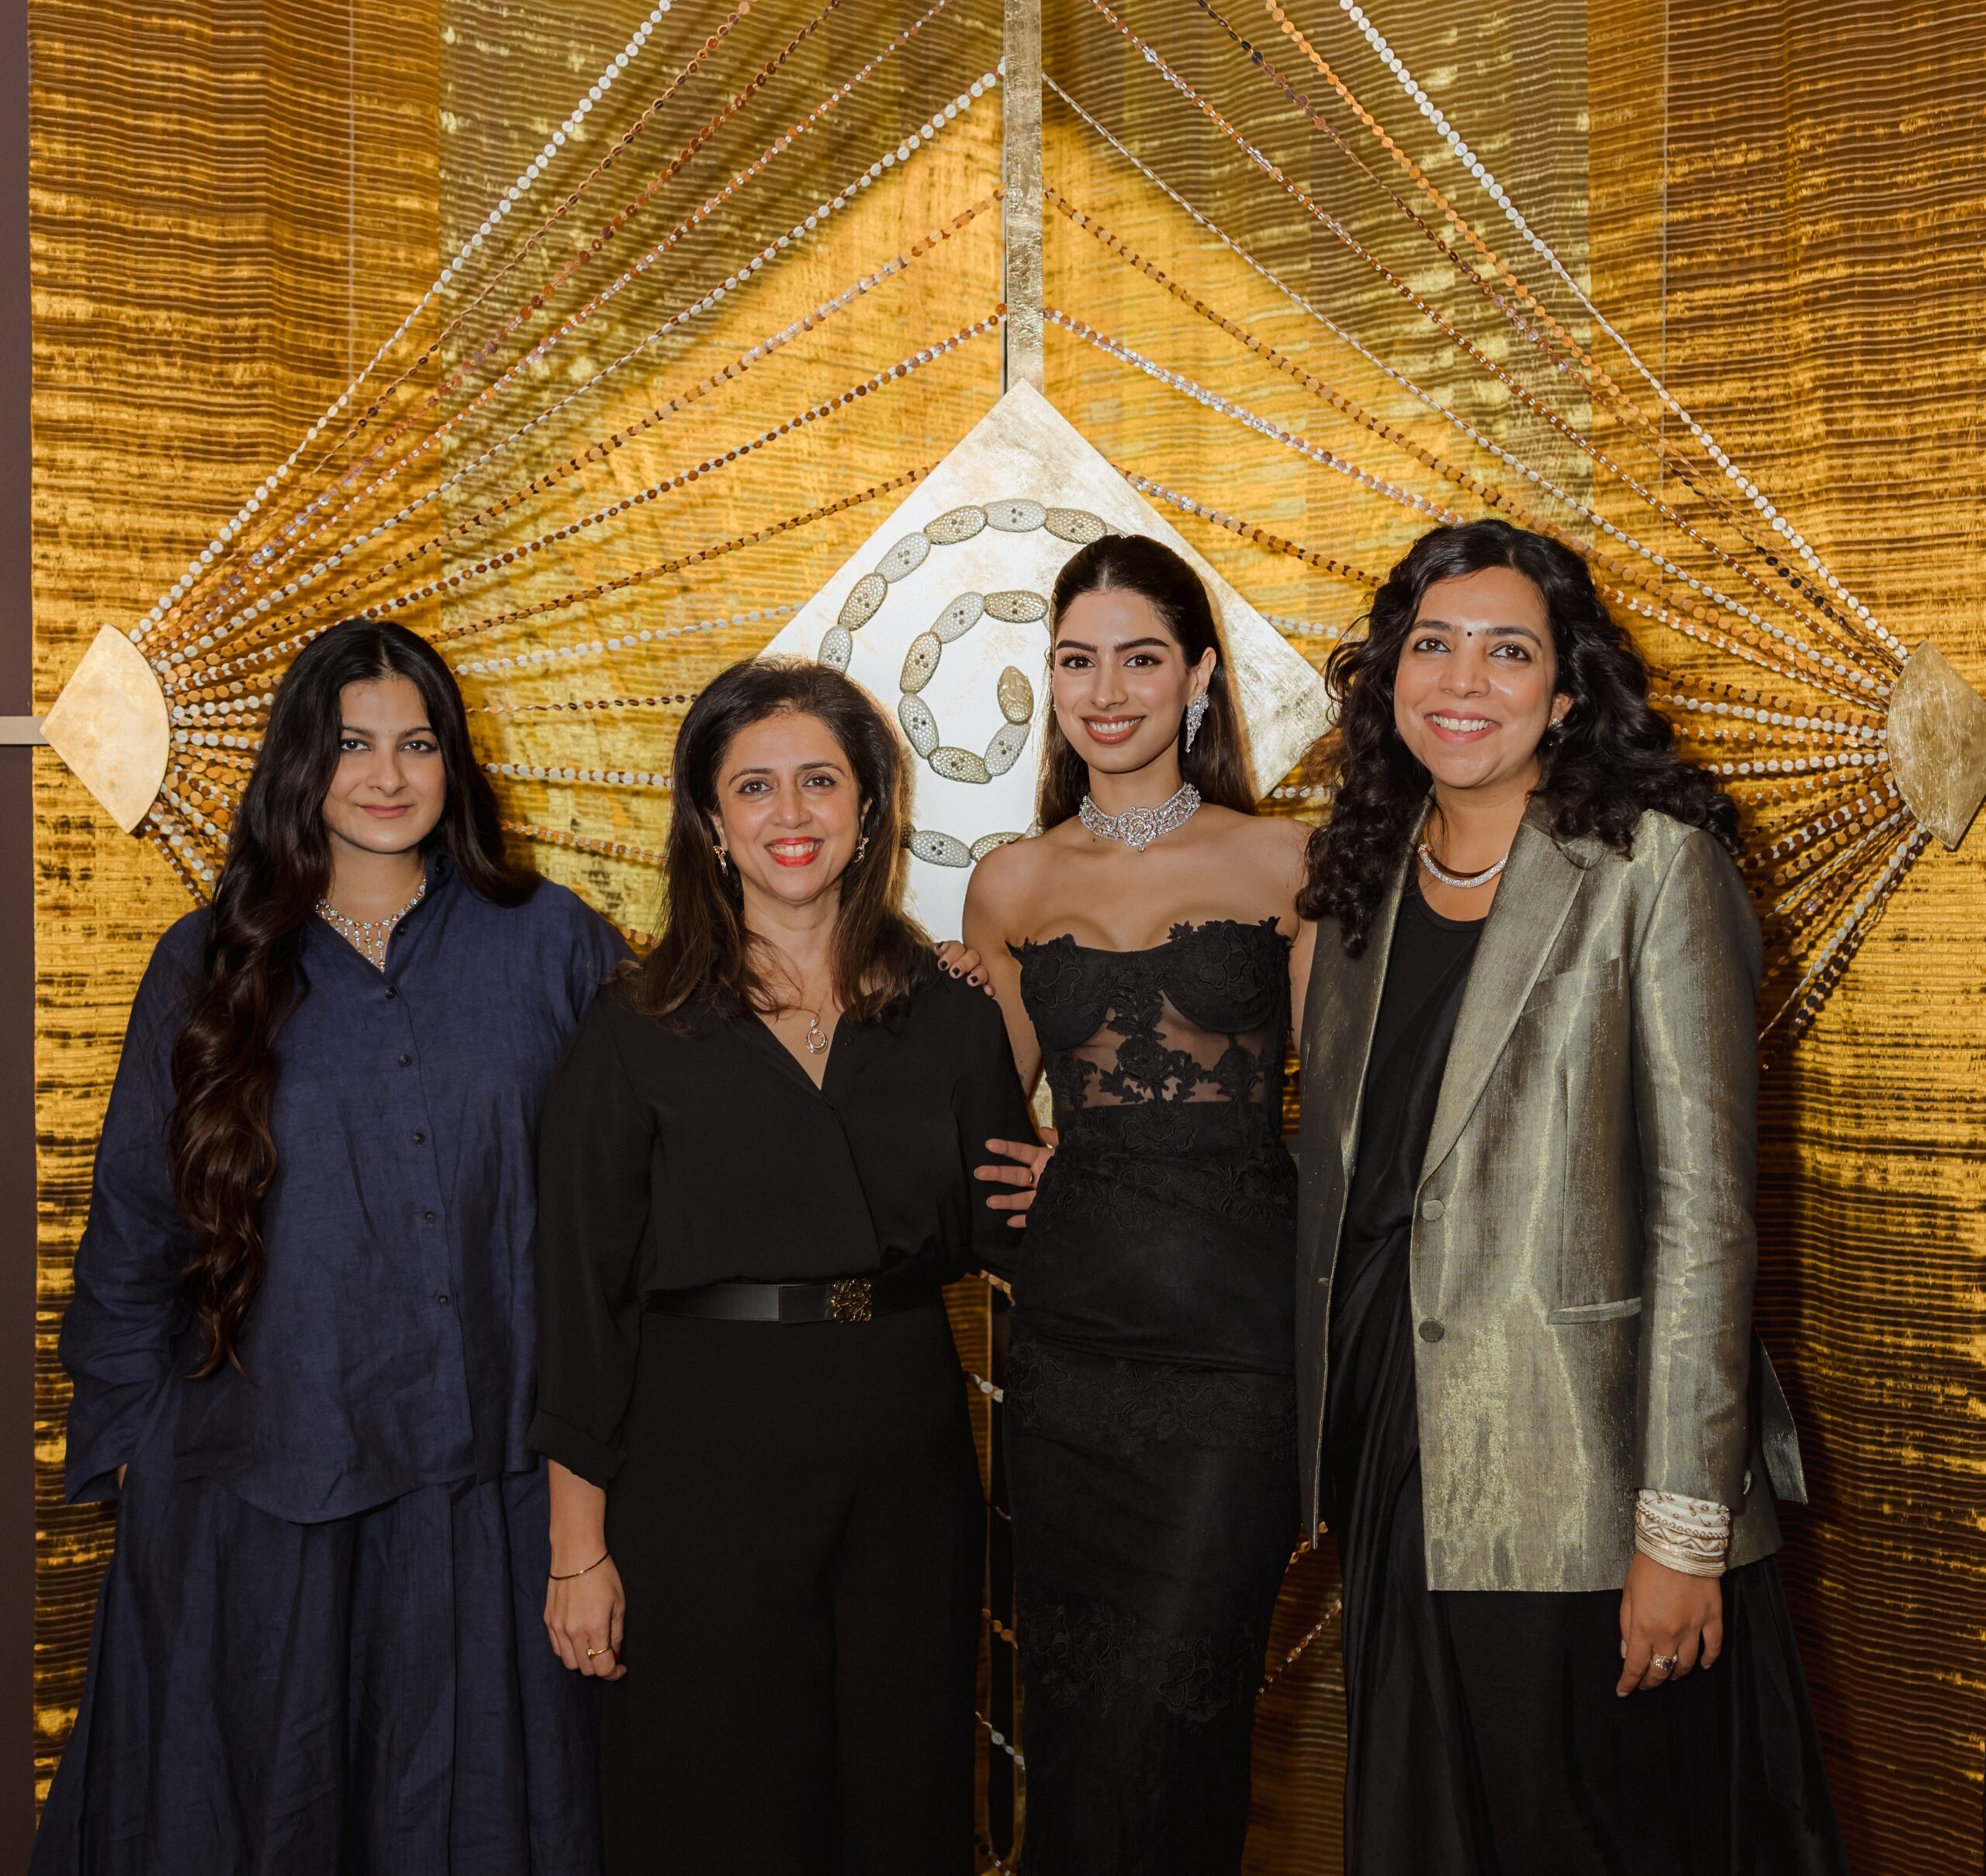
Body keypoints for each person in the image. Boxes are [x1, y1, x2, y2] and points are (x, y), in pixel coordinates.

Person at [1296, 517, 1849, 1874]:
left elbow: (1707, 1215)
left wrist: (1682, 1530)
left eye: (1508, 651)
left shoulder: (1654, 866)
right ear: (1389, 676)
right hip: (1396, 1443)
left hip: (1591, 1466)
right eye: (1433, 645)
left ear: (1565, 690)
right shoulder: (1362, 875)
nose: (1462, 680)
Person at [36, 618, 623, 1875]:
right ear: (299, 763)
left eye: (418, 743)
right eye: (352, 744)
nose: (388, 775)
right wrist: (132, 1439)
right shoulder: (204, 962)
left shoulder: (552, 944)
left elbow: (674, 1138)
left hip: (495, 1489)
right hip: (264, 1482)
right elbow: (134, 1222)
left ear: (456, 761)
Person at [528, 658, 1030, 1876]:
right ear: (711, 822)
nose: (790, 813)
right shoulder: (634, 1027)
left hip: (907, 1454)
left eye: (821, 780)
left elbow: (1014, 1230)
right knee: (720, 1806)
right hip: (701, 1459)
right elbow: (581, 1302)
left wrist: (1078, 1173)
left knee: (904, 1800)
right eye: (755, 786)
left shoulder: (950, 1014)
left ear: (870, 809)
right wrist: (577, 1549)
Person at [964, 534, 1312, 1875]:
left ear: (1200, 675)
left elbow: (1354, 1108)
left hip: (1235, 1359)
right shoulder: (1010, 882)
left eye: (1141, 658)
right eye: (1077, 660)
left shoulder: (1288, 859)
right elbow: (985, 1118)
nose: (1106, 691)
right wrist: (919, 1006)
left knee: (1176, 1716)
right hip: (1070, 1361)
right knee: (1079, 1728)